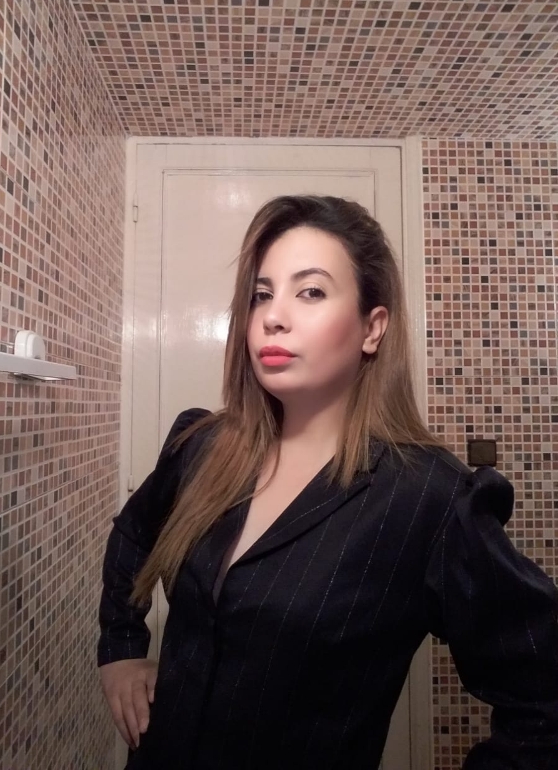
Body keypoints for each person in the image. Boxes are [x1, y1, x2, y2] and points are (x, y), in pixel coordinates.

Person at [97, 195, 558, 769]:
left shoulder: (430, 499)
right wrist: (120, 649)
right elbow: (132, 536)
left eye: (310, 291)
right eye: (262, 294)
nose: (273, 316)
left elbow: (544, 697)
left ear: (373, 328)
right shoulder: (203, 446)